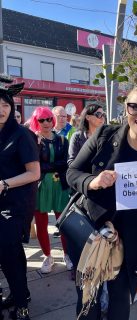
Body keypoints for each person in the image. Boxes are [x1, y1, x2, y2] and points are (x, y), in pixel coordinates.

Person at [67, 86, 137, 320]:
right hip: (93, 235)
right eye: (134, 107)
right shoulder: (105, 135)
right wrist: (92, 182)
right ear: (126, 109)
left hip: (133, 241)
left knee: (120, 302)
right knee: (88, 300)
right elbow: (72, 172)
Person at [0, 77, 40, 320]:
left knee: (8, 252)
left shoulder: (22, 134)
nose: (1, 110)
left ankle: (22, 303)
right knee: (10, 253)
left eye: (5, 105)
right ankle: (18, 294)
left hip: (16, 203)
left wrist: (4, 184)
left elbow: (34, 173)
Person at [29, 107, 72, 274]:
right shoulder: (33, 141)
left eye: (48, 119)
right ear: (36, 122)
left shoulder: (62, 140)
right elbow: (34, 165)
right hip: (41, 186)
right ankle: (48, 256)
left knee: (64, 223)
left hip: (60, 185)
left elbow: (66, 162)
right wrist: (51, 165)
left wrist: (48, 167)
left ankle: (67, 254)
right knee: (41, 224)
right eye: (41, 120)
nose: (46, 123)